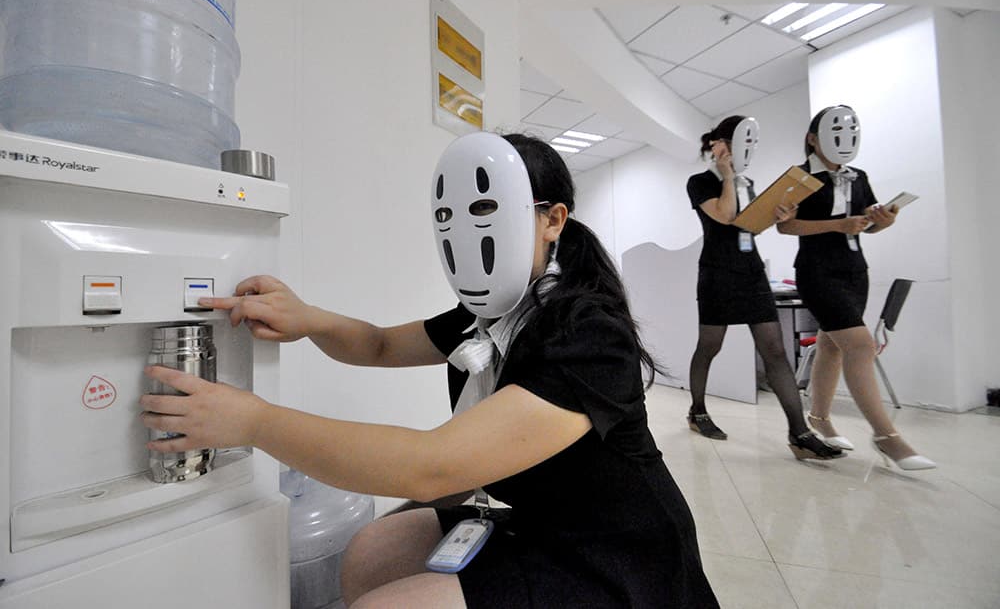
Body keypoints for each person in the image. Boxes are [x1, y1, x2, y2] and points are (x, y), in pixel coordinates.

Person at [141, 132, 719, 607]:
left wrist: (252, 422)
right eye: (448, 214)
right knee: (372, 549)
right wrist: (306, 317)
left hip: (621, 558)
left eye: (487, 209)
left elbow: (431, 469)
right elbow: (377, 347)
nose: (465, 230)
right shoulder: (489, 314)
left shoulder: (587, 330)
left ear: (553, 220)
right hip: (540, 521)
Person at [776, 105, 935, 471]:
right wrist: (837, 225)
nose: (843, 140)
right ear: (813, 139)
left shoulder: (858, 176)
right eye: (834, 133)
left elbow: (867, 225)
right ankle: (887, 438)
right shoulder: (798, 178)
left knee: (831, 346)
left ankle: (820, 420)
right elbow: (786, 227)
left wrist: (885, 220)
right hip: (817, 271)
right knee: (861, 345)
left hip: (854, 271)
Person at [685, 115, 843, 461]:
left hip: (751, 272)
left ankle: (799, 433)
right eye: (742, 142)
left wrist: (777, 215)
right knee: (710, 347)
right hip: (717, 273)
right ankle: (697, 411)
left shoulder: (749, 183)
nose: (748, 150)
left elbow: (749, 229)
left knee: (774, 350)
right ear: (719, 145)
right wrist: (727, 176)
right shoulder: (699, 182)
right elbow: (726, 216)